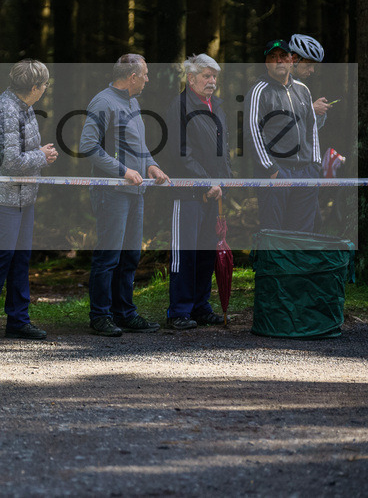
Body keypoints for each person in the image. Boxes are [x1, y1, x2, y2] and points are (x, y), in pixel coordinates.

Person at [79, 54, 169, 337]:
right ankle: (100, 316)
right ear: (132, 77)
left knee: (130, 256)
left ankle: (125, 313)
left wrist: (151, 164)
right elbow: (88, 146)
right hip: (112, 192)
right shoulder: (103, 101)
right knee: (109, 256)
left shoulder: (133, 101)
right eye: (144, 75)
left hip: (135, 191)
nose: (147, 79)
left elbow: (137, 144)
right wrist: (122, 171)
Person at [0, 60, 57, 341]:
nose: (45, 89)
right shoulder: (6, 110)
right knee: (2, 258)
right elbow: (12, 161)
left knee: (20, 259)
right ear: (34, 87)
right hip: (2, 196)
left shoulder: (24, 106)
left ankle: (18, 319)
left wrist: (37, 155)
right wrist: (43, 156)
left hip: (22, 194)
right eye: (44, 85)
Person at [163, 54, 229, 330]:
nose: (211, 81)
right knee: (184, 254)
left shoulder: (218, 106)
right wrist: (205, 183)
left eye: (214, 76)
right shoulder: (177, 107)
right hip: (187, 193)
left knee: (205, 253)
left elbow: (223, 151)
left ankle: (201, 307)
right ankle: (179, 311)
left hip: (213, 194)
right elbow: (181, 154)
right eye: (206, 76)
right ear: (191, 79)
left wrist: (223, 183)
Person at [244, 39, 320, 232]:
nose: (278, 61)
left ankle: (298, 263)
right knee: (274, 232)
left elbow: (312, 128)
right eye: (272, 57)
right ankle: (272, 264)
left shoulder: (303, 90)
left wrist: (315, 164)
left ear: (291, 60)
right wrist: (271, 168)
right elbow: (253, 131)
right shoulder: (258, 91)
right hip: (276, 173)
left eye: (283, 56)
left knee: (302, 233)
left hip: (306, 172)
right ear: (266, 63)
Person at [288, 33, 330, 128]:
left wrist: (318, 113)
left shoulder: (300, 87)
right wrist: (312, 110)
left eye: (314, 66)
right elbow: (277, 123)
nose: (312, 70)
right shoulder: (275, 84)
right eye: (308, 65)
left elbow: (306, 128)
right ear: (294, 59)